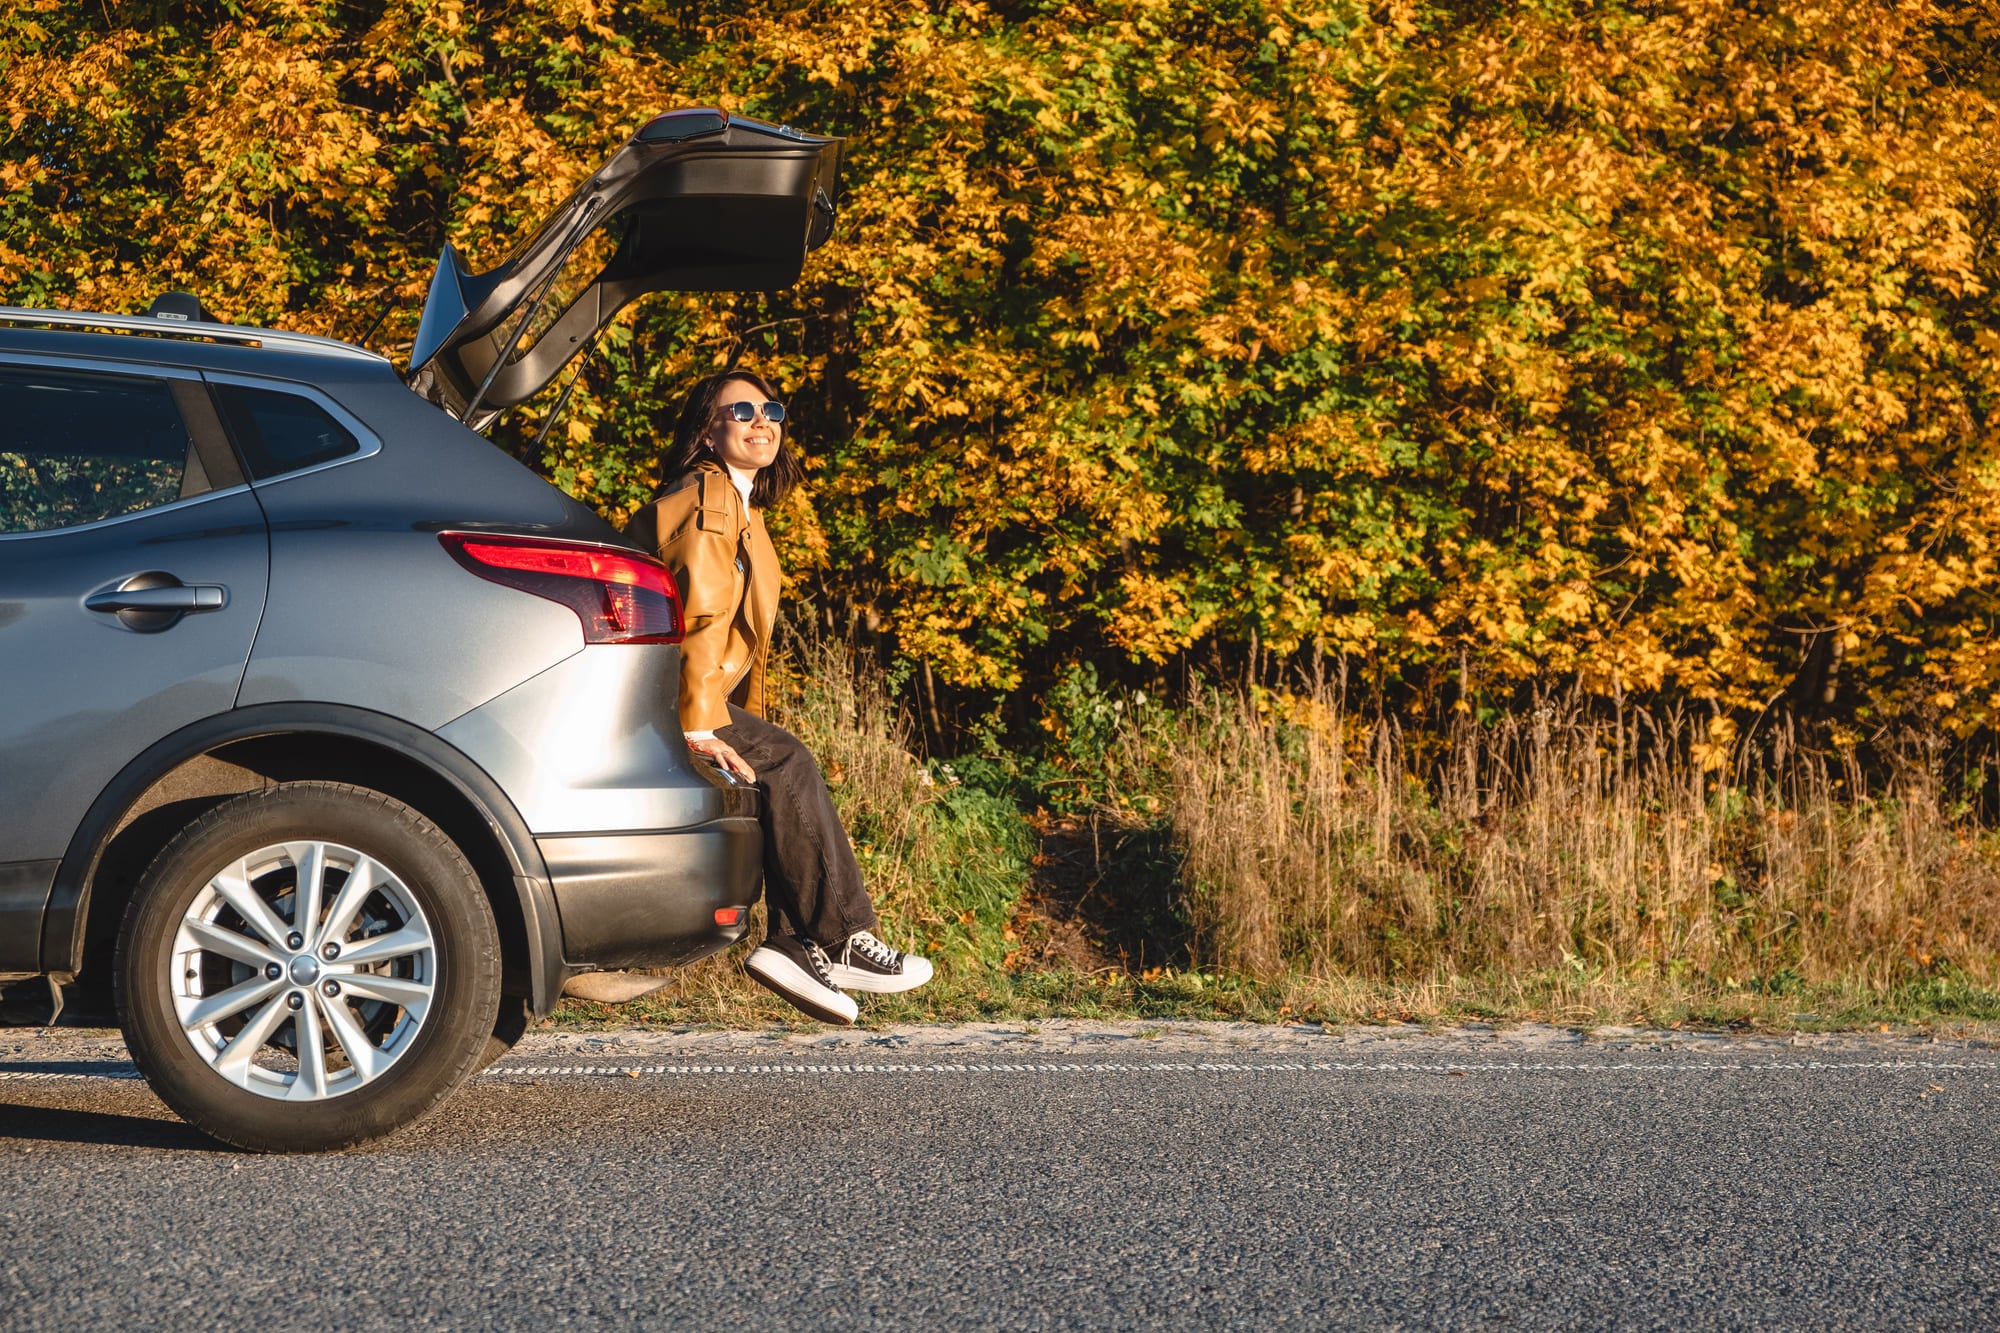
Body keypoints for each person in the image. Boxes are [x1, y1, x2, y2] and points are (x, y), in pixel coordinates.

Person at [624, 367, 933, 1025]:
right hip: (660, 692)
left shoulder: (739, 504)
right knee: (786, 761)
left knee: (776, 763)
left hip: (668, 687)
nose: (762, 421)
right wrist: (699, 721)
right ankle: (839, 937)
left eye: (771, 409)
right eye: (741, 411)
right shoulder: (707, 498)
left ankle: (796, 942)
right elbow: (702, 612)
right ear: (708, 428)